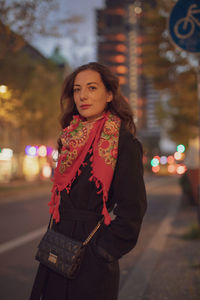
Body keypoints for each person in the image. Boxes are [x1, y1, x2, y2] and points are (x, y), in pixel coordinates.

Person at [29, 62, 147, 300]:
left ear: (109, 94)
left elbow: (133, 209)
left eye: (92, 88)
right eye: (77, 89)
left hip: (92, 252)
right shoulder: (69, 138)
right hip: (58, 246)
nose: (82, 95)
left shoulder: (123, 143)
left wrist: (103, 251)